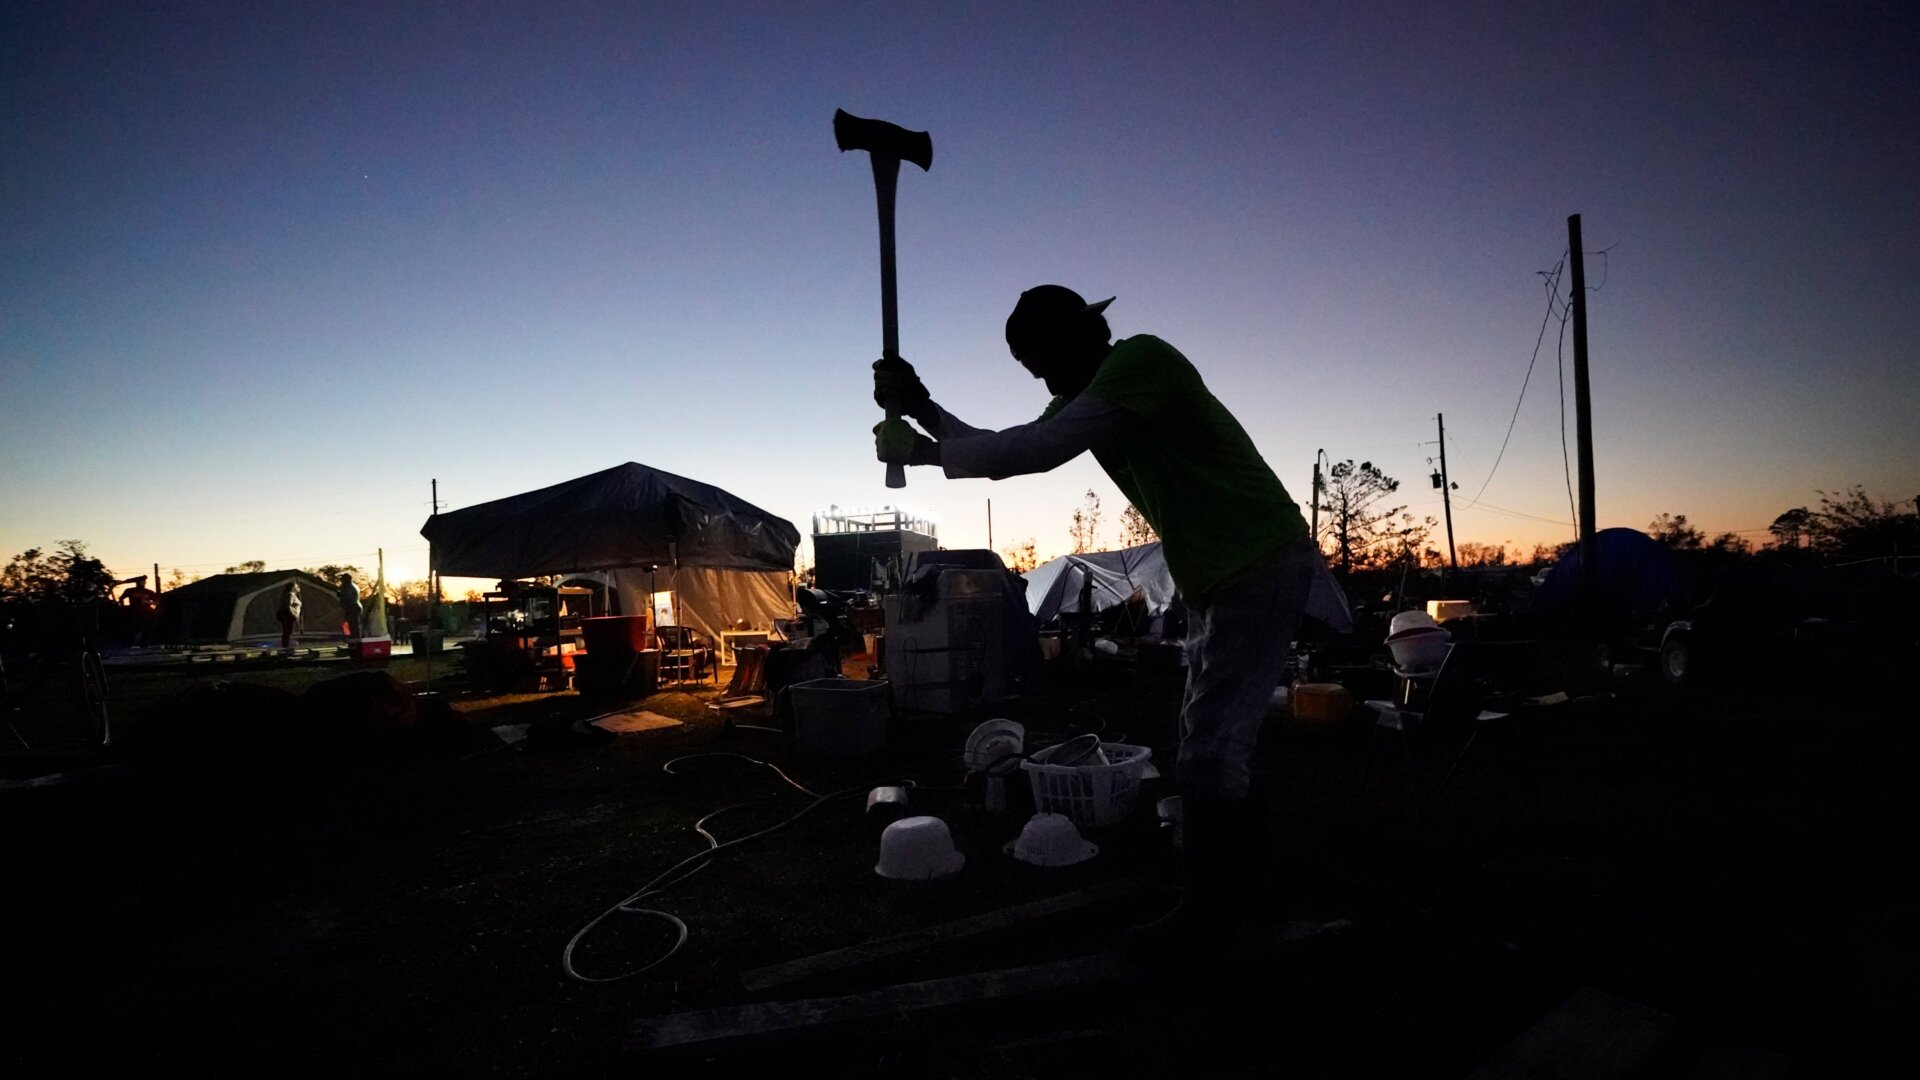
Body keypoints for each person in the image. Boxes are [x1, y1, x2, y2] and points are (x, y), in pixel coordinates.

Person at [873, 284, 1319, 959]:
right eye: (1034, 371)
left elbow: (1037, 450)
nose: (1046, 380)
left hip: (1255, 558)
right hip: (1222, 571)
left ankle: (1211, 918)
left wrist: (921, 452)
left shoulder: (1142, 362)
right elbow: (1006, 446)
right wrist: (924, 407)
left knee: (1209, 751)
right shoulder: (1093, 395)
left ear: (1082, 337)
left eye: (1045, 362)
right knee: (1210, 743)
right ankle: (1237, 898)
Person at [277, 582, 302, 650]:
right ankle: (287, 647)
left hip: (287, 615)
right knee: (288, 631)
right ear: (293, 588)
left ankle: (286, 646)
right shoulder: (290, 595)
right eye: (297, 586)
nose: (298, 588)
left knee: (287, 631)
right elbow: (287, 605)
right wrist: (294, 615)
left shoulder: (291, 595)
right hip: (288, 615)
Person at [337, 573, 362, 639]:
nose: (341, 580)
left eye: (342, 578)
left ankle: (354, 638)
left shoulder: (348, 587)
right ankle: (350, 637)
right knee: (348, 624)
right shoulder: (351, 586)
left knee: (352, 624)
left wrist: (339, 594)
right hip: (352, 608)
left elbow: (346, 596)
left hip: (353, 608)